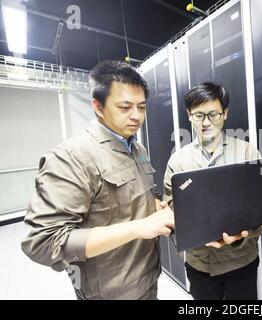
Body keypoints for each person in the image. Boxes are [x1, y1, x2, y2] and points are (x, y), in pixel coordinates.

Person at [21, 60, 174, 300]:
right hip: (110, 291)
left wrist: (153, 205)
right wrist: (139, 227)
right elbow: (44, 242)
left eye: (141, 107)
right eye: (125, 107)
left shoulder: (138, 149)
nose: (136, 116)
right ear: (98, 106)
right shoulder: (72, 157)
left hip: (147, 277)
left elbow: (135, 195)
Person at [163, 82, 262, 300]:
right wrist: (183, 231)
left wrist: (241, 235)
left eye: (213, 114)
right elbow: (171, 212)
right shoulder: (178, 161)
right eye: (199, 115)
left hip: (241, 262)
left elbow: (261, 211)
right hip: (199, 265)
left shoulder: (247, 152)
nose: (206, 122)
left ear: (225, 113)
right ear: (189, 115)